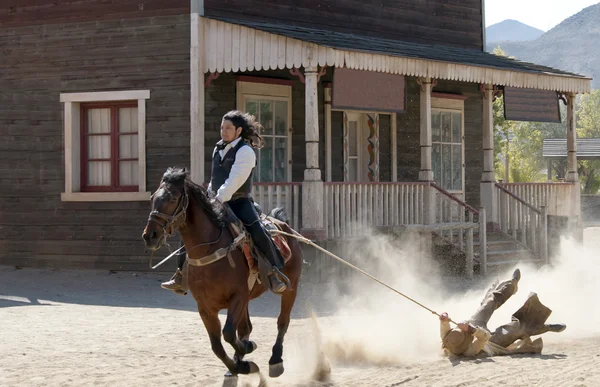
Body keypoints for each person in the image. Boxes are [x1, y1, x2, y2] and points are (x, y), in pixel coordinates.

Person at [161, 110, 288, 295]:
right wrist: (210, 195)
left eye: (228, 128)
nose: (223, 131)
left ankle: (273, 272)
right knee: (190, 225)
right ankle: (180, 275)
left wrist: (218, 198)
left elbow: (235, 179)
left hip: (239, 201)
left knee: (256, 229)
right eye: (222, 127)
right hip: (217, 199)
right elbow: (216, 177)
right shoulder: (218, 147)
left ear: (238, 131)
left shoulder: (245, 151)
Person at [440, 268, 566, 357]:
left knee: (489, 302)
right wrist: (472, 330)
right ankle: (546, 327)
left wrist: (444, 318)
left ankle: (511, 284)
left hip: (471, 324)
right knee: (515, 329)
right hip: (489, 343)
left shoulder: (449, 338)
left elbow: (445, 327)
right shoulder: (469, 351)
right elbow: (484, 337)